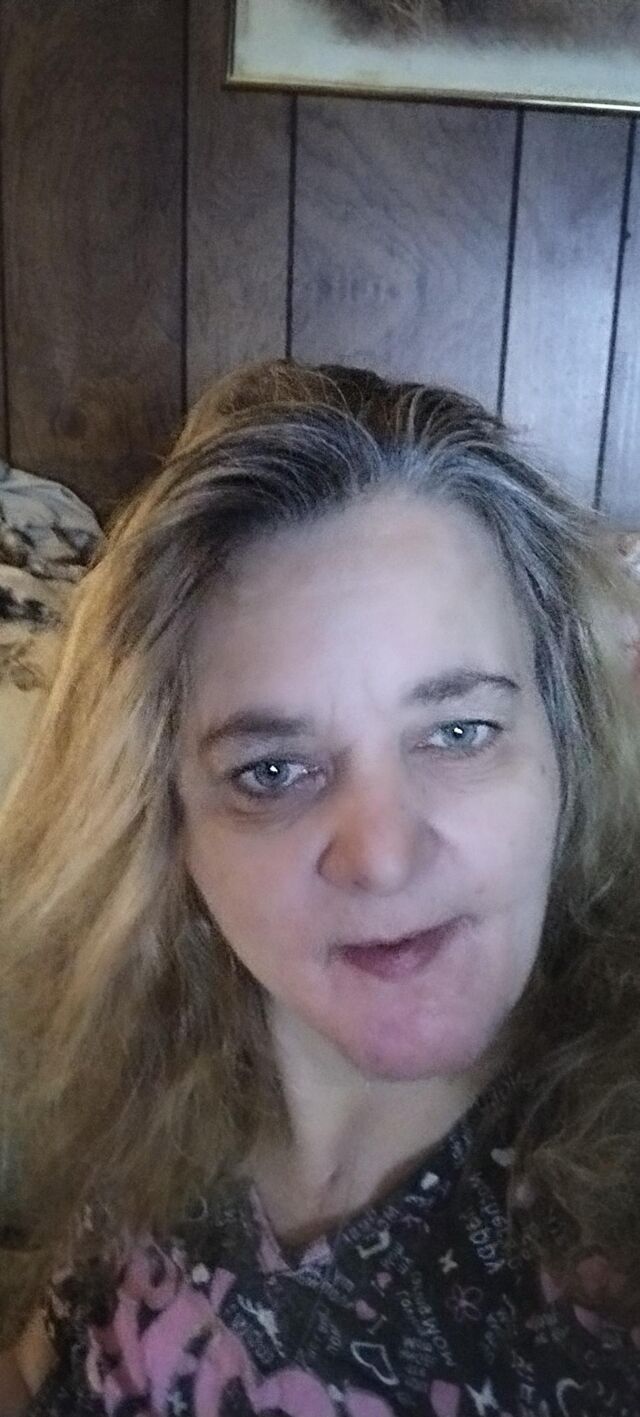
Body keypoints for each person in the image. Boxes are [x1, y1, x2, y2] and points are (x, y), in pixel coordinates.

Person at [0, 358, 639, 1417]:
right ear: (164, 821)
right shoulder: (161, 1076)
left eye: (460, 730)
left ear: (564, 744)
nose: (382, 857)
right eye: (272, 771)